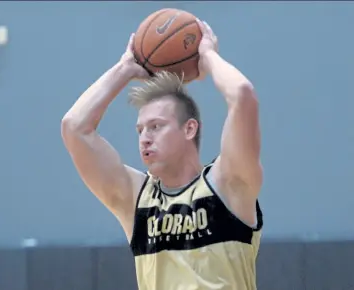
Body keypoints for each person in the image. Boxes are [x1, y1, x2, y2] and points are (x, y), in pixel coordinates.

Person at [61, 18, 263, 290]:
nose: (145, 137)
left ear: (190, 128)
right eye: (140, 130)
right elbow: (74, 127)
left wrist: (208, 56)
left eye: (156, 126)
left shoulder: (229, 185)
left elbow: (242, 94)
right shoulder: (136, 199)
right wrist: (125, 69)